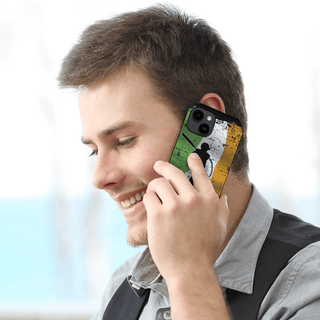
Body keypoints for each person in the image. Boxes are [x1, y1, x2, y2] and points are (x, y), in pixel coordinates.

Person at [58, 4, 320, 320]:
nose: (100, 178)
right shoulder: (121, 288)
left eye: (124, 141)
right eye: (94, 150)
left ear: (207, 129)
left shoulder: (308, 284)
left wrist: (190, 272)